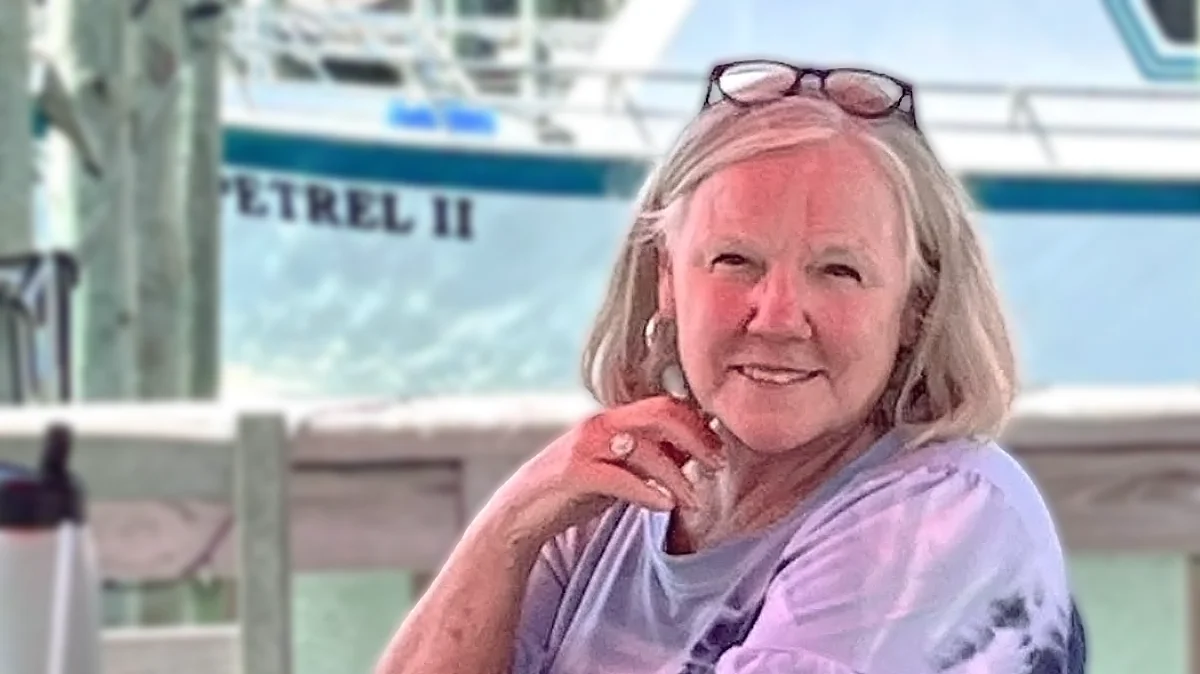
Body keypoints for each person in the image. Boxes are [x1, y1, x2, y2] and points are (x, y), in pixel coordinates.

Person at [375, 60, 1088, 674]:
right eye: (734, 261)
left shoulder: (946, 513)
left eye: (838, 270)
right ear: (667, 281)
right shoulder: (609, 512)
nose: (776, 315)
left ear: (913, 308)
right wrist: (514, 520)